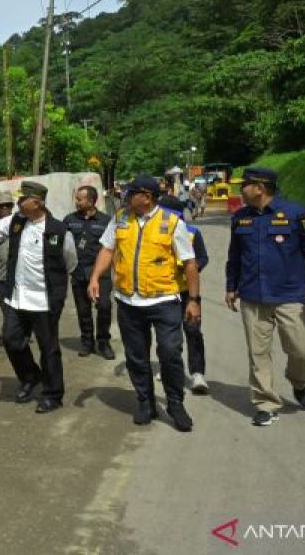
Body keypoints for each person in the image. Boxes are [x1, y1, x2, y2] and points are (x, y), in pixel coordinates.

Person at [88, 175, 200, 432]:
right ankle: (145, 402)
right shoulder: (120, 219)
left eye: (131, 193)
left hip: (164, 301)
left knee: (170, 353)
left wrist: (193, 300)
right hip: (128, 302)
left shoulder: (172, 223)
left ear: (147, 197)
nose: (126, 198)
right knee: (136, 357)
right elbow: (107, 249)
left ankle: (175, 403)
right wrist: (95, 277)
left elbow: (190, 263)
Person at [225, 167, 305, 427]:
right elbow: (235, 257)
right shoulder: (240, 218)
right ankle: (265, 403)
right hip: (253, 296)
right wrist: (231, 286)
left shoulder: (296, 213)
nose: (241, 190)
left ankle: (298, 380)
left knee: (302, 350)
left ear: (260, 188)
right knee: (257, 353)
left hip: (291, 295)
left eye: (245, 185)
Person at [0, 181, 77, 414]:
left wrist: (56, 288)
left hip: (44, 301)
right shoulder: (17, 221)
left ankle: (52, 394)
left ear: (36, 202)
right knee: (11, 339)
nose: (18, 203)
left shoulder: (58, 230)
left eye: (22, 199)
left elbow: (70, 262)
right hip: (18, 298)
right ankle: (30, 376)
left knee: (48, 349)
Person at [158, 194, 210, 394]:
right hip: (163, 292)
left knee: (193, 331)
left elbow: (203, 257)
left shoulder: (192, 232)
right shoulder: (154, 232)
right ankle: (169, 369)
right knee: (167, 335)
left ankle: (197, 373)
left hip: (188, 292)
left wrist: (191, 268)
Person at [63, 186, 115, 359]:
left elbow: (112, 248)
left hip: (100, 273)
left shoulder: (107, 221)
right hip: (78, 272)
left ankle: (103, 342)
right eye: (76, 199)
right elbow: (60, 243)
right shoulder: (69, 220)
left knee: (104, 307)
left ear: (91, 201)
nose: (76, 202)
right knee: (83, 310)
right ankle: (87, 342)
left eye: (80, 199)